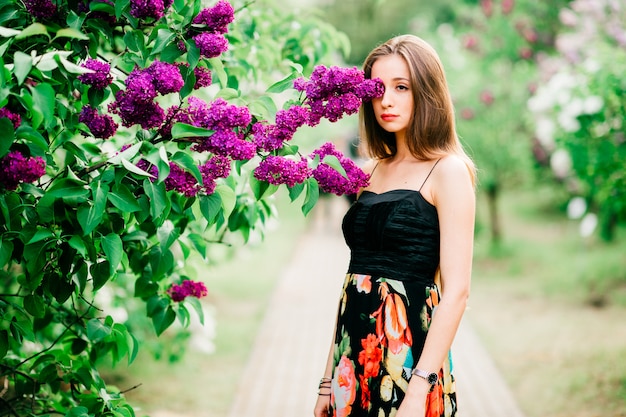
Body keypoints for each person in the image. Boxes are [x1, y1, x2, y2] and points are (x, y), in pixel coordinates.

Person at [313, 34, 476, 417]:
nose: (386, 100)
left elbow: (457, 294)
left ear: (428, 91)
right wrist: (327, 377)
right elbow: (353, 284)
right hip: (351, 361)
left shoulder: (447, 172)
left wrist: (420, 388)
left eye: (401, 87)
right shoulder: (368, 173)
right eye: (378, 88)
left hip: (410, 365)